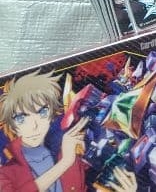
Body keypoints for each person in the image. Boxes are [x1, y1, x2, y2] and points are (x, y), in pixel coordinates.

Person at [0, 71, 135, 192]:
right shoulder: (7, 175)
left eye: (42, 113)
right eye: (21, 118)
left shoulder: (67, 149)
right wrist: (65, 162)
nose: (34, 125)